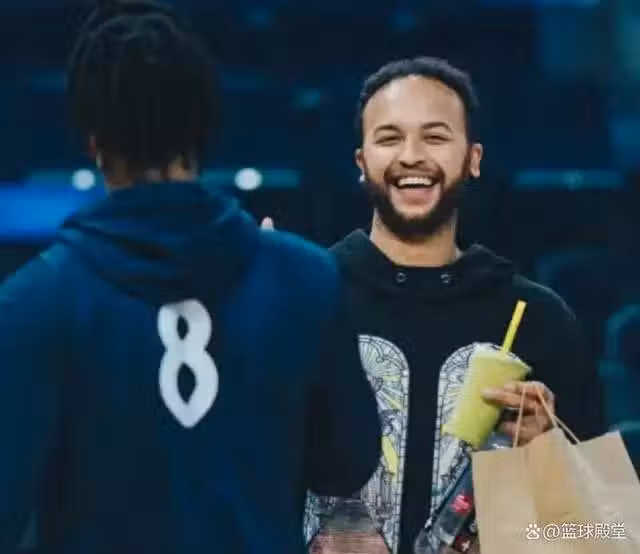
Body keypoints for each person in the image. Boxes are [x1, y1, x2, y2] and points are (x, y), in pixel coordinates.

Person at [0, 2, 381, 552]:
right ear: (207, 125)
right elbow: (346, 464)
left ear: (92, 141)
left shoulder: (33, 302)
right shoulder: (306, 278)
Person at [264, 57, 605, 553]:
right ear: (361, 162)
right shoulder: (301, 295)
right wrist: (249, 322)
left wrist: (548, 461)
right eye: (389, 138)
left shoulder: (539, 319)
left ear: (473, 158)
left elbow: (601, 539)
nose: (411, 156)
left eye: (435, 137)